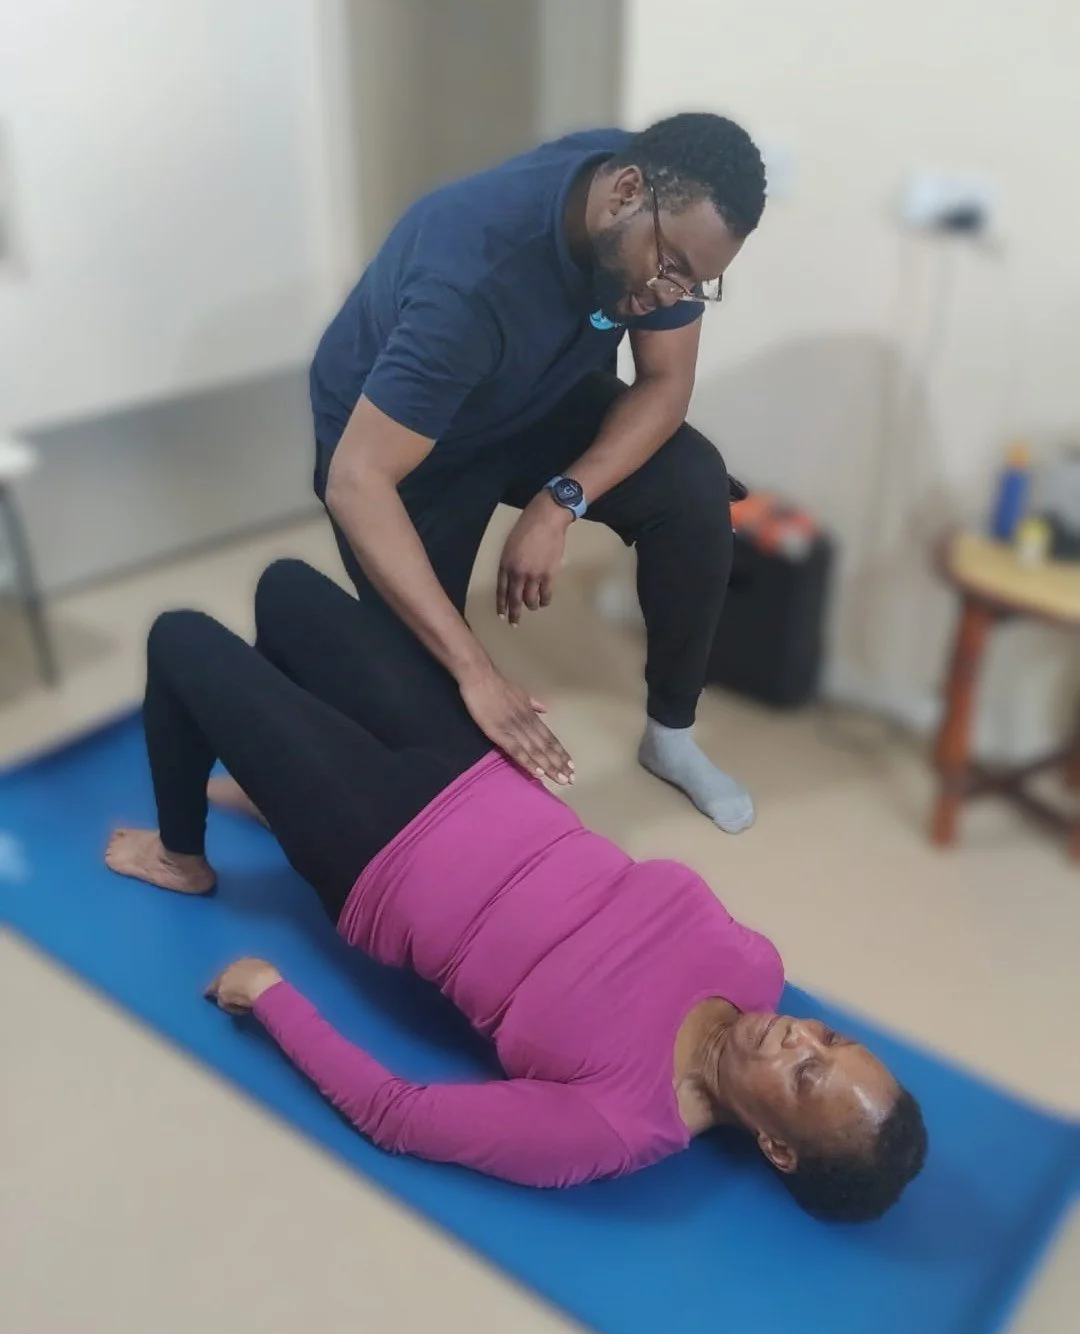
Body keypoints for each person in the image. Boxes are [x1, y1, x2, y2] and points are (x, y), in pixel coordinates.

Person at [105, 559, 927, 1221]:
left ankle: (184, 857)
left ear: (777, 1148)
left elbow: (402, 1117)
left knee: (182, 639)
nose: (800, 1039)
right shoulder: (757, 968)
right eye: (829, 1038)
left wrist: (269, 997)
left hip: (383, 855)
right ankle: (279, 785)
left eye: (807, 1077)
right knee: (284, 591)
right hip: (477, 771)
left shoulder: (618, 1123)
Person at [306, 111, 768, 832]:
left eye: (699, 283)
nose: (674, 295)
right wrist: (478, 673)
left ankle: (669, 738)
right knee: (422, 710)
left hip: (531, 392)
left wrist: (561, 501)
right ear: (624, 193)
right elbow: (356, 481)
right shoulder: (471, 280)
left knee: (693, 483)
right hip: (402, 443)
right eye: (673, 267)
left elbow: (665, 389)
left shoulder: (650, 208)